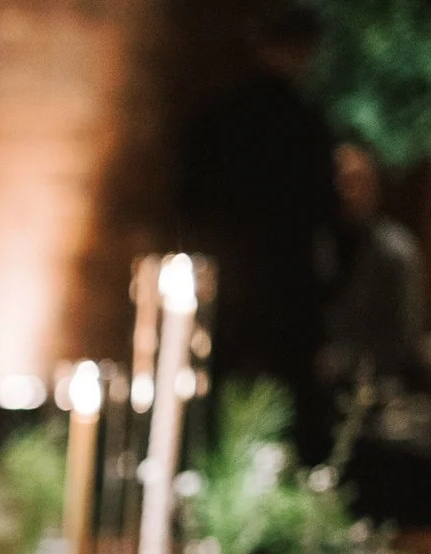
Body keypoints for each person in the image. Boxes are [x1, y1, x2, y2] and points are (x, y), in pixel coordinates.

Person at [178, 5, 341, 451]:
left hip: (231, 282)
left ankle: (203, 488)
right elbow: (326, 216)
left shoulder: (220, 116)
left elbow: (190, 201)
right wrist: (329, 291)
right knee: (298, 411)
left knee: (213, 398)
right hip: (285, 287)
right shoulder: (305, 123)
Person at [323, 141, 428, 392]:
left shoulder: (398, 251)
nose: (346, 190)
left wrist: (346, 360)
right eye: (339, 180)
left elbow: (406, 339)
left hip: (381, 391)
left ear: (374, 187)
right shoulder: (318, 246)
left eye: (356, 180)